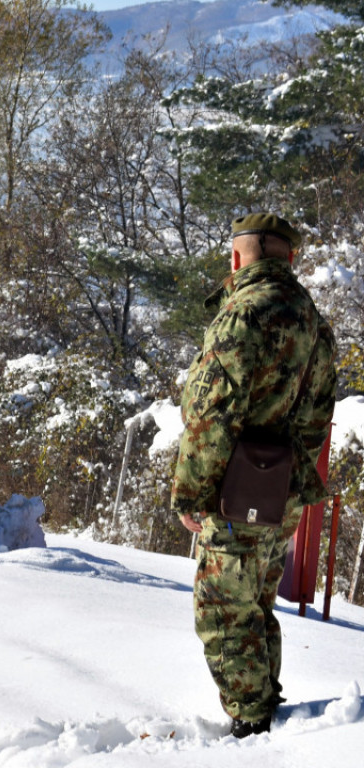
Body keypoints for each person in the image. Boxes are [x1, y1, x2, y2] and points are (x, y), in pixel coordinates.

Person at [171, 212, 336, 738]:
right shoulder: (312, 320)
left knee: (222, 608)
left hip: (234, 495)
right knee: (256, 607)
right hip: (280, 494)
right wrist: (288, 482)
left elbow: (208, 414)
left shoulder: (243, 314)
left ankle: (252, 725)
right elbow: (317, 417)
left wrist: (191, 494)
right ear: (289, 258)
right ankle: (265, 714)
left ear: (241, 257)